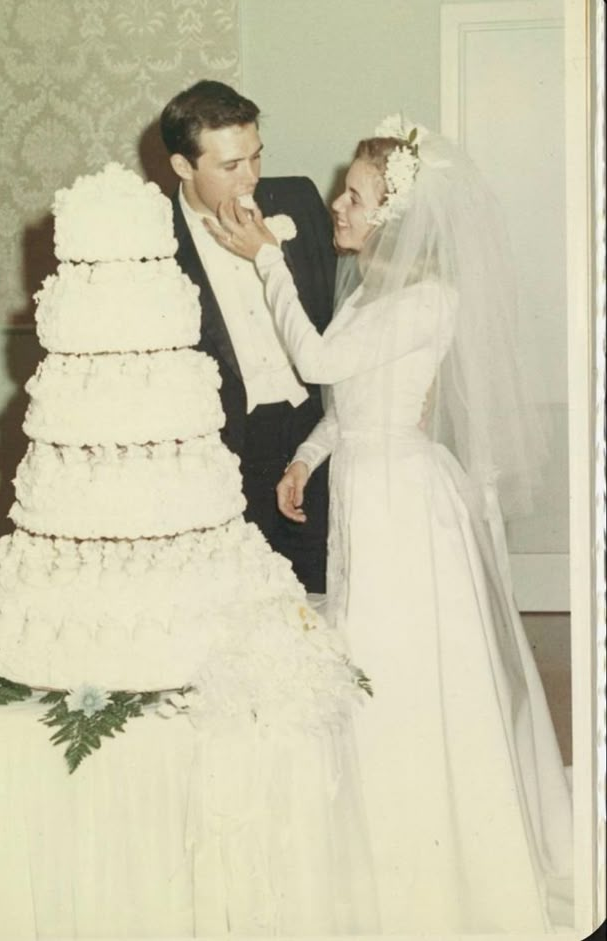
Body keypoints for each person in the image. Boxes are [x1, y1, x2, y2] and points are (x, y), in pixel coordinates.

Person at [205, 117, 574, 933]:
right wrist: (306, 454)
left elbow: (320, 364)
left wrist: (266, 258)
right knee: (373, 667)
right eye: (348, 190)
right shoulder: (375, 285)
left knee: (403, 676)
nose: (340, 202)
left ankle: (429, 871)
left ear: (396, 218)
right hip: (367, 491)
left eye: (359, 196)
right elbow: (354, 399)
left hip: (405, 506)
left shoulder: (431, 298)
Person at [159, 80, 332, 593]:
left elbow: (338, 310)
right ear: (183, 167)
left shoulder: (298, 199)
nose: (250, 177)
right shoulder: (153, 237)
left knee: (325, 588)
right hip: (230, 444)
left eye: (255, 157)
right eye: (230, 166)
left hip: (316, 428)